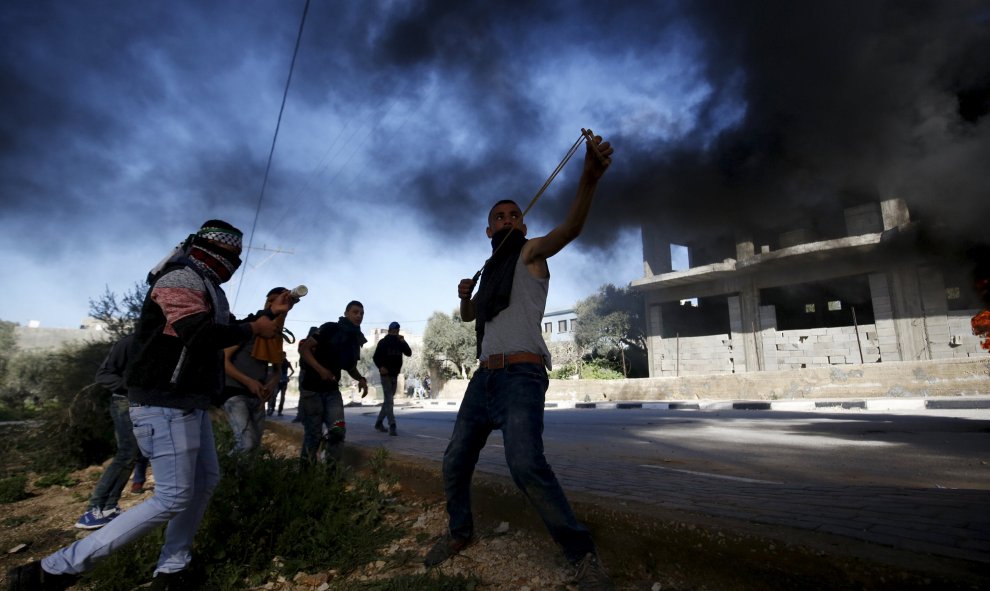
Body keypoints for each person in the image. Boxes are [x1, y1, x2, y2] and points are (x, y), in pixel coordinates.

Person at [6, 220, 290, 591]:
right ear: (214, 250)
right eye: (233, 255)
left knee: (205, 482)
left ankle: (172, 569)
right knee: (173, 497)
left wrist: (268, 316)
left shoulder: (208, 286)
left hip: (188, 402)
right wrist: (253, 329)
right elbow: (200, 334)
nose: (235, 263)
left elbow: (227, 327)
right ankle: (53, 570)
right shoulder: (181, 279)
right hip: (165, 402)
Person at [424, 132, 615, 591]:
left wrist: (588, 178)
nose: (508, 219)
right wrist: (465, 298)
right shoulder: (489, 273)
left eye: (514, 215)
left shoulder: (529, 254)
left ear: (523, 227)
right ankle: (459, 531)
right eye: (499, 217)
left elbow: (570, 229)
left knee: (526, 465)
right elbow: (476, 318)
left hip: (521, 374)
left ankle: (582, 554)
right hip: (483, 377)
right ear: (488, 231)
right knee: (454, 460)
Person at [73, 334, 150, 530]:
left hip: (146, 405)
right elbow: (104, 375)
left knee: (134, 454)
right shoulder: (129, 343)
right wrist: (132, 386)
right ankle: (94, 509)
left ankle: (108, 508)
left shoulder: (159, 344)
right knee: (127, 453)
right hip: (125, 402)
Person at [222, 287, 298, 454]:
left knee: (254, 447)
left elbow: (277, 370)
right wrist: (249, 381)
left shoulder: (275, 338)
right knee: (246, 444)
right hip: (235, 394)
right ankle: (224, 474)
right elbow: (224, 361)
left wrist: (272, 382)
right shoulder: (250, 328)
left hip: (257, 398)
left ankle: (240, 479)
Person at [297, 301, 369, 463]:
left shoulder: (354, 339)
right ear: (346, 313)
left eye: (362, 313)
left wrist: (361, 379)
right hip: (312, 391)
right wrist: (321, 370)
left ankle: (331, 476)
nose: (359, 316)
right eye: (355, 312)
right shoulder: (330, 328)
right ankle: (304, 477)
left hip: (332, 392)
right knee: (313, 435)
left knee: (338, 431)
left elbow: (349, 366)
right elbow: (304, 349)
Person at [372, 321, 412, 435]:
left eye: (397, 331)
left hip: (395, 375)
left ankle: (379, 423)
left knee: (388, 402)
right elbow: (375, 357)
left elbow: (409, 353)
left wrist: (403, 342)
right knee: (390, 400)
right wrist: (380, 367)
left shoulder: (400, 342)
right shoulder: (383, 342)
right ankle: (392, 425)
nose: (395, 333)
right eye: (393, 331)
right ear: (389, 331)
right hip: (385, 375)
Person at [267, 352, 294, 417]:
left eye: (283, 355)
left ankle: (277, 410)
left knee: (280, 397)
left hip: (282, 381)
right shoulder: (278, 362)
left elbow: (292, 371)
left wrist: (287, 376)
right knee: (274, 396)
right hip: (279, 380)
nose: (283, 357)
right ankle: (272, 409)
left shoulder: (284, 362)